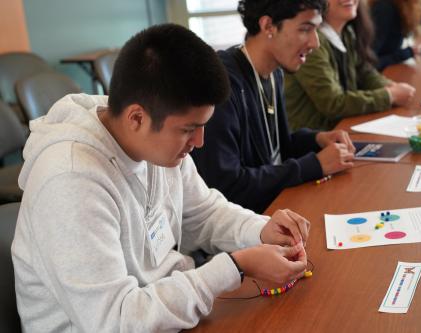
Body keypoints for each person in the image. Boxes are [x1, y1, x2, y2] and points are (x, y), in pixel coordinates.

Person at [11, 24, 312, 332]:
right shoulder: (70, 179)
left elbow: (203, 212)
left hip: (162, 312)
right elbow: (113, 321)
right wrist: (235, 266)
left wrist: (262, 231)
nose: (199, 142)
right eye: (188, 129)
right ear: (137, 118)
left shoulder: (155, 144)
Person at [191, 0, 356, 214]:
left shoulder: (275, 71)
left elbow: (276, 152)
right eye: (305, 29)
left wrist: (316, 140)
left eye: (316, 29)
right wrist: (314, 165)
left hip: (274, 209)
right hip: (242, 227)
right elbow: (228, 187)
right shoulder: (222, 86)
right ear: (268, 26)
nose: (315, 43)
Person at [284, 0, 415, 131]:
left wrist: (391, 86)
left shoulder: (347, 32)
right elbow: (333, 103)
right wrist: (390, 95)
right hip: (315, 141)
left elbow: (365, 72)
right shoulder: (311, 44)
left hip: (340, 130)